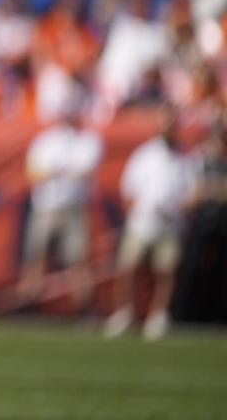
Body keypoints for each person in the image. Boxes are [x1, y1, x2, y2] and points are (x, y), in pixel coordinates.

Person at [103, 108, 201, 340]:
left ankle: (158, 316)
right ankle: (125, 312)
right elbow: (129, 189)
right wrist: (139, 211)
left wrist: (179, 208)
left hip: (171, 223)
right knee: (129, 268)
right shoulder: (145, 154)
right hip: (142, 222)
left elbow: (194, 191)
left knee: (166, 271)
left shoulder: (187, 157)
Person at [18, 93, 103, 312]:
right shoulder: (45, 140)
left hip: (73, 208)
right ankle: (30, 306)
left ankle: (84, 309)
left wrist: (55, 172)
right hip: (46, 207)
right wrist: (60, 172)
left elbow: (84, 172)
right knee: (35, 259)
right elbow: (34, 174)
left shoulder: (88, 140)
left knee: (78, 262)